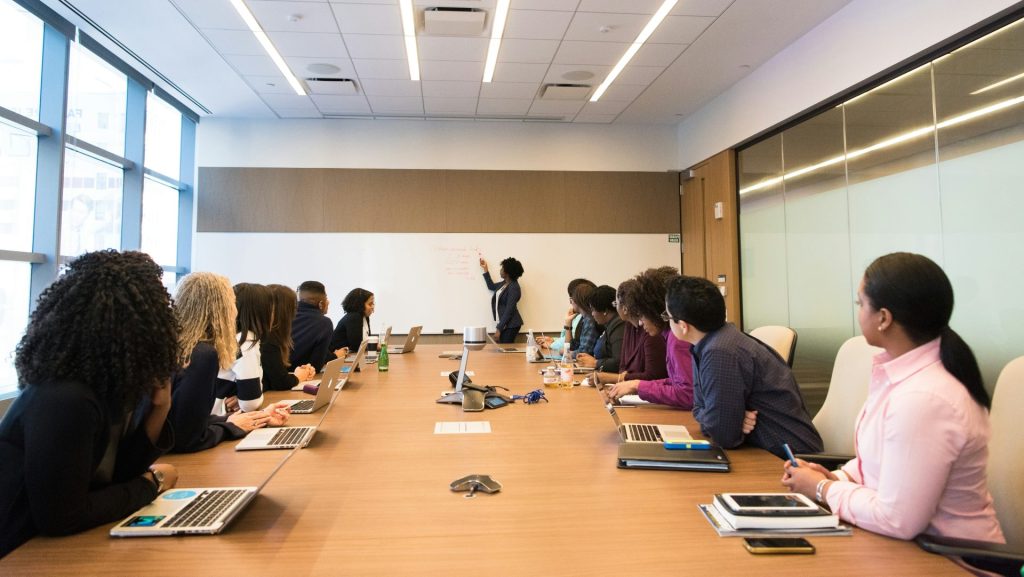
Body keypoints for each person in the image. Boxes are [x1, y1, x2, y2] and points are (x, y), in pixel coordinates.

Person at [781, 253, 1004, 544]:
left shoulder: (924, 397)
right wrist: (838, 477)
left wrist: (823, 489)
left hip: (949, 559)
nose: (858, 311)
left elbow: (897, 519)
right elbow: (879, 463)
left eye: (861, 304)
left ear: (884, 318)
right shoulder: (901, 377)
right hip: (904, 547)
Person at [0, 251, 178, 558]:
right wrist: (152, 484)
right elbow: (61, 517)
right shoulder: (65, 399)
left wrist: (159, 407)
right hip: (17, 552)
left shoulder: (102, 389)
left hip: (37, 548)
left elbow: (114, 478)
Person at [665, 275, 822, 458]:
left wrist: (725, 421)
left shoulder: (720, 352)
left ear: (683, 326)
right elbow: (699, 408)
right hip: (764, 450)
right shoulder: (710, 343)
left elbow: (724, 436)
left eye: (667, 316)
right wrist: (729, 418)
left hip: (788, 460)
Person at [169, 273, 290, 453]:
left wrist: (248, 418)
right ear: (222, 310)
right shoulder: (202, 354)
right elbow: (187, 438)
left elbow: (180, 422)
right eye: (232, 303)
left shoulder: (176, 345)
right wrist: (230, 427)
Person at [602, 267, 693, 409]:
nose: (640, 321)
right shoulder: (670, 335)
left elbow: (688, 394)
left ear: (654, 311)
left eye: (642, 314)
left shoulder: (678, 339)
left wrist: (639, 385)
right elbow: (677, 382)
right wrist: (635, 385)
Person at [216, 283, 272, 414]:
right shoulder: (246, 343)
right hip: (224, 417)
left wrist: (243, 396)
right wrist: (248, 397)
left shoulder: (229, 337)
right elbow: (250, 404)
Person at [262, 284, 316, 391]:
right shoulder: (268, 340)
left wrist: (298, 372)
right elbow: (281, 383)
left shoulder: (269, 336)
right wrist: (299, 376)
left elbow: (273, 376)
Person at [290, 280, 344, 372]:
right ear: (321, 304)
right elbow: (316, 365)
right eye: (326, 298)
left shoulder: (287, 316)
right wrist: (335, 356)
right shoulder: (324, 323)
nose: (328, 302)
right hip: (304, 377)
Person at [536, 278, 594, 353]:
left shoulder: (589, 320)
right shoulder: (583, 318)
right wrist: (568, 323)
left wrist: (555, 346)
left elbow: (583, 352)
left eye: (571, 298)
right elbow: (572, 345)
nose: (570, 302)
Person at [576, 285, 624, 372]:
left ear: (605, 311)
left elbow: (619, 362)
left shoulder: (619, 326)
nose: (592, 314)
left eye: (593, 310)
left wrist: (596, 363)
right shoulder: (610, 324)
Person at [479, 256, 524, 343]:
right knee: (502, 350)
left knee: (505, 351)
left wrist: (499, 329)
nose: (500, 270)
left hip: (511, 325)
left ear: (508, 272)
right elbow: (491, 286)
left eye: (502, 268)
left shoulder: (514, 287)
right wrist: (485, 269)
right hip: (505, 324)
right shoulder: (504, 284)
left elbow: (509, 310)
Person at [330, 288, 374, 353]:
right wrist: (373, 346)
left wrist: (373, 345)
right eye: (370, 304)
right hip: (339, 357)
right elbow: (356, 346)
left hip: (350, 355)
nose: (372, 307)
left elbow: (367, 339)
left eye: (373, 304)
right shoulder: (354, 317)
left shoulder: (365, 317)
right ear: (360, 305)